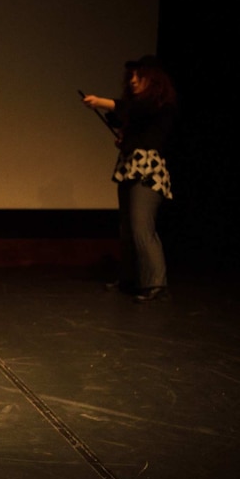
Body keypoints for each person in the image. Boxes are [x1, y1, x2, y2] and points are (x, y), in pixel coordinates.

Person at [81, 55, 177, 304]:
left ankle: (156, 282)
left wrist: (101, 102)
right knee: (126, 227)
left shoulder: (158, 102)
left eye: (139, 76)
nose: (133, 81)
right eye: (131, 77)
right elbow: (130, 121)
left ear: (153, 80)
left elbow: (133, 110)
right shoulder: (139, 108)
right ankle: (130, 278)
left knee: (140, 226)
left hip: (148, 168)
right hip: (130, 165)